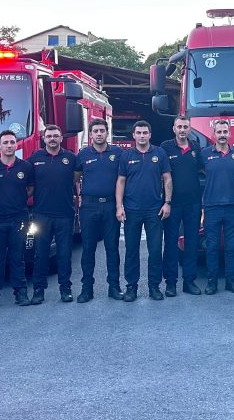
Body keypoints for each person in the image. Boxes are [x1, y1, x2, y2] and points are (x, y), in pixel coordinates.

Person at [116, 120, 172, 301]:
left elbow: (167, 178)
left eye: (144, 133)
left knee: (155, 250)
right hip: (132, 210)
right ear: (133, 135)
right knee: (131, 250)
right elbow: (121, 182)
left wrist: (167, 202)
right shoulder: (126, 156)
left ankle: (154, 287)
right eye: (138, 133)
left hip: (155, 210)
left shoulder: (159, 153)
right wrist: (119, 207)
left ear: (150, 134)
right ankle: (131, 287)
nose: (141, 136)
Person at [0, 130, 35, 308]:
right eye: (5, 142)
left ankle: (20, 293)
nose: (9, 145)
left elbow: (30, 189)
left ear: (16, 144)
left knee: (17, 257)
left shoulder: (26, 167)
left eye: (12, 142)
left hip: (18, 218)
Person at [75, 119, 124, 303]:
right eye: (95, 131)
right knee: (88, 249)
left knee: (112, 248)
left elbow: (123, 178)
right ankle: (87, 289)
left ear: (107, 132)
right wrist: (79, 197)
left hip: (110, 205)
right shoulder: (83, 154)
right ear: (90, 134)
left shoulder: (118, 153)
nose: (99, 134)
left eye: (102, 131)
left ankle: (114, 287)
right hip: (89, 206)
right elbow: (76, 177)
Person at [28, 124, 77, 304]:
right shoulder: (34, 159)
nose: (52, 139)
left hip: (65, 214)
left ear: (61, 138)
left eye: (56, 136)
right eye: (49, 136)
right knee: (41, 254)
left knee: (64, 254)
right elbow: (29, 184)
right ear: (44, 138)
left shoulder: (71, 158)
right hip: (42, 215)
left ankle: (66, 289)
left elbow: (76, 179)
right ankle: (38, 291)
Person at [199, 120, 234, 295]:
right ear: (214, 134)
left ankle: (231, 281)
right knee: (212, 246)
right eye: (219, 132)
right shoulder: (204, 154)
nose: (222, 135)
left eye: (225, 131)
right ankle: (212, 282)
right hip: (212, 207)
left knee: (231, 247)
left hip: (233, 206)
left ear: (229, 134)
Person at [160, 116, 202, 296]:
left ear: (190, 129)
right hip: (173, 204)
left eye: (185, 127)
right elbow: (161, 175)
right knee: (170, 243)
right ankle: (170, 283)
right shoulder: (165, 147)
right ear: (174, 129)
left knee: (192, 243)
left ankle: (189, 282)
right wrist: (165, 202)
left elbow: (204, 170)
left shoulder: (196, 148)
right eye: (179, 127)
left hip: (193, 204)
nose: (182, 130)